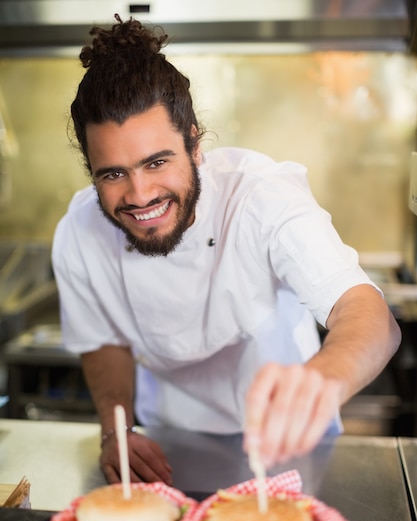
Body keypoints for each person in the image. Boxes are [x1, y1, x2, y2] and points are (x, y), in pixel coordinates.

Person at [52, 15, 401, 485]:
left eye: (157, 162)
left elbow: (366, 313)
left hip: (292, 446)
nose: (138, 194)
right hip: (167, 447)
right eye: (112, 173)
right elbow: (104, 341)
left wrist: (321, 381)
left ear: (195, 145)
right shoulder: (79, 230)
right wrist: (117, 430)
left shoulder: (261, 197)